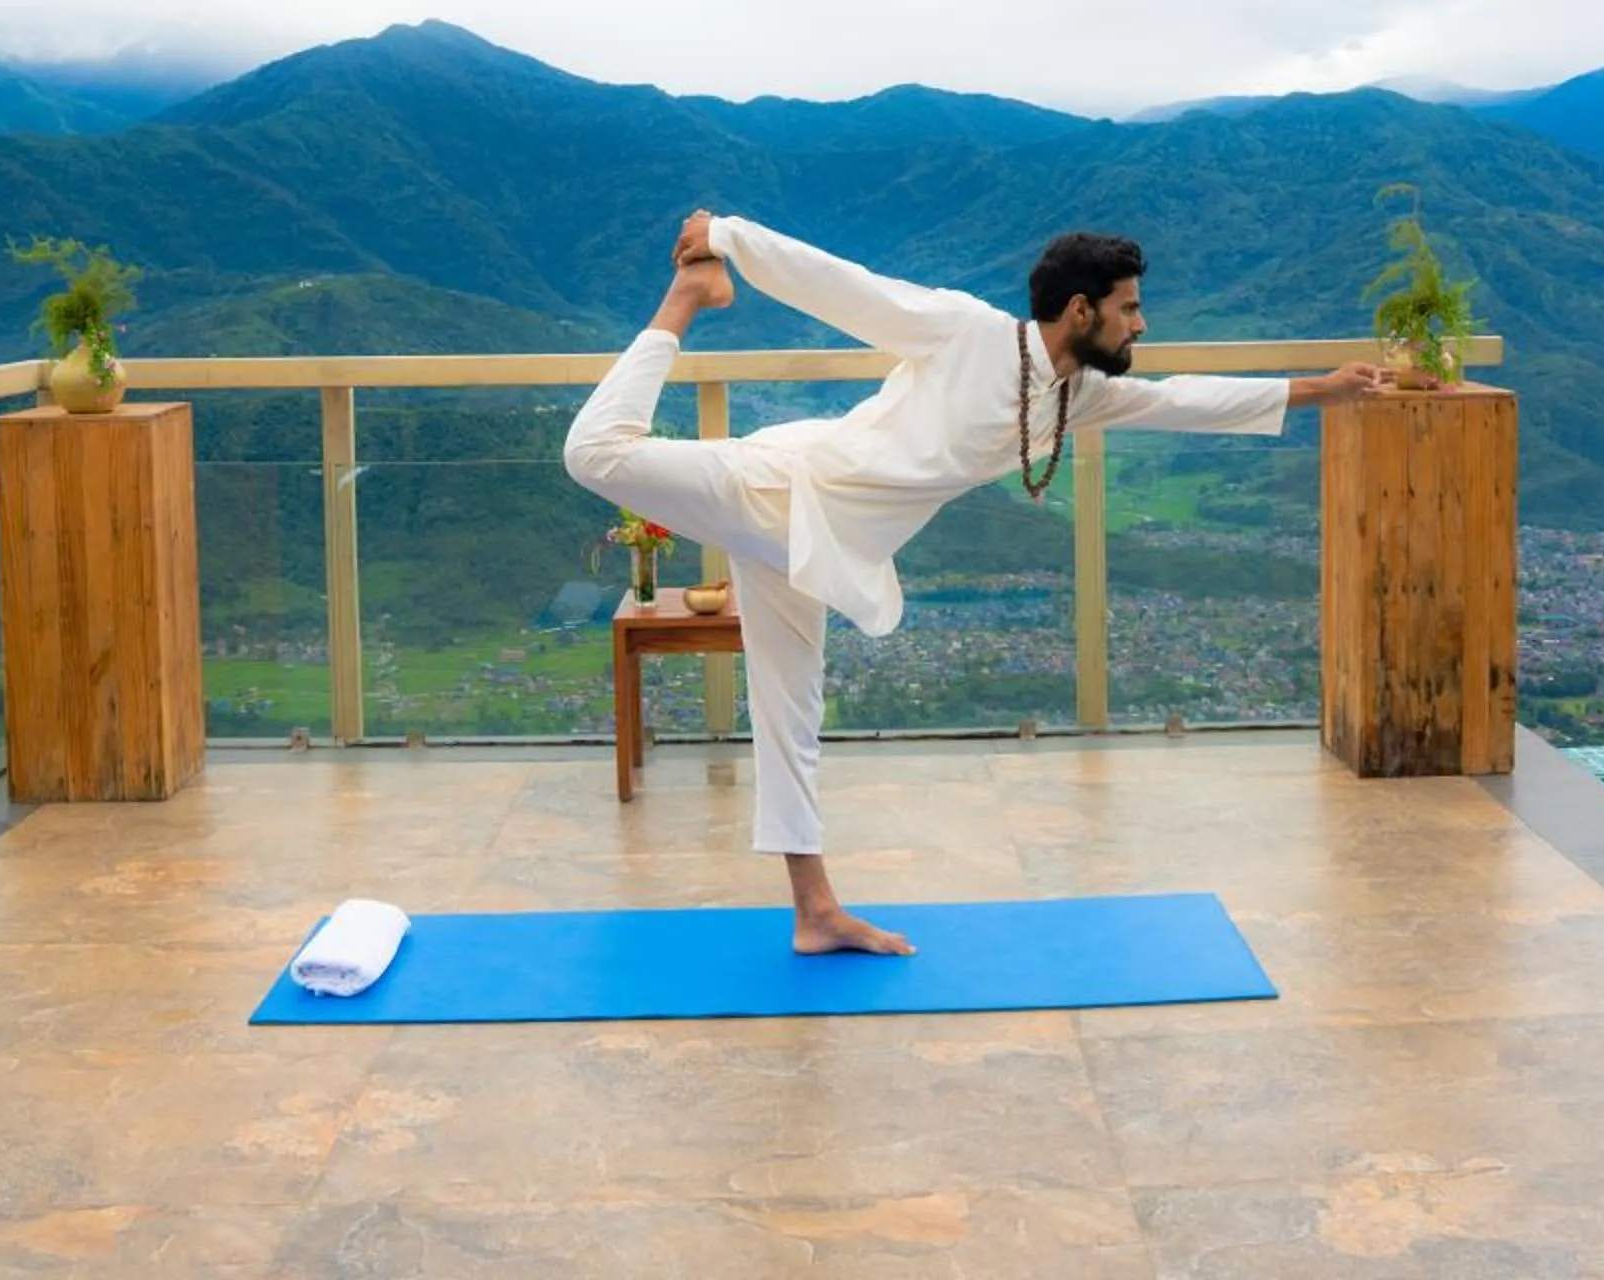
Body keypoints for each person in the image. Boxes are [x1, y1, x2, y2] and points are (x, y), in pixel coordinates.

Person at [563, 210, 1393, 954]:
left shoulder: (1075, 396)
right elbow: (844, 289)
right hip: (785, 489)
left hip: (824, 547)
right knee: (593, 453)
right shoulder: (968, 333)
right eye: (1130, 306)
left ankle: (815, 913)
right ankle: (685, 301)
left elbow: (1181, 399)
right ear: (1080, 310)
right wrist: (728, 238)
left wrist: (1326, 388)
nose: (1141, 321)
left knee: (792, 716)